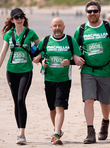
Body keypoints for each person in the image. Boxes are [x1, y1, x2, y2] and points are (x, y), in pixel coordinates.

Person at [73, 0, 110, 144]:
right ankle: (90, 132)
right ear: (86, 13)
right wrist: (75, 57)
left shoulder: (108, 27)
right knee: (88, 100)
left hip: (106, 70)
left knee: (105, 103)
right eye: (89, 11)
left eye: (95, 11)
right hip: (87, 70)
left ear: (99, 12)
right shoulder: (81, 29)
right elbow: (73, 47)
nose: (92, 13)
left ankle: (105, 122)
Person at [34, 17, 84, 145]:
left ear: (64, 27)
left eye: (59, 26)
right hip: (49, 79)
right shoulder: (45, 41)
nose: (57, 28)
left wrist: (70, 62)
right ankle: (58, 130)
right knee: (52, 109)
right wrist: (42, 61)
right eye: (55, 26)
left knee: (59, 107)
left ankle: (56, 134)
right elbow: (37, 55)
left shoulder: (70, 41)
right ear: (51, 28)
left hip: (64, 80)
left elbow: (80, 59)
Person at [0, 8, 40, 145]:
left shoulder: (30, 33)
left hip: (26, 71)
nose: (19, 19)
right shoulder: (8, 35)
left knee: (20, 99)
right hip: (11, 72)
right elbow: (3, 53)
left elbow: (41, 48)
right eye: (16, 17)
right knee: (16, 102)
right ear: (12, 20)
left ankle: (22, 134)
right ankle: (19, 132)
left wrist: (39, 56)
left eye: (21, 16)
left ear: (24, 18)